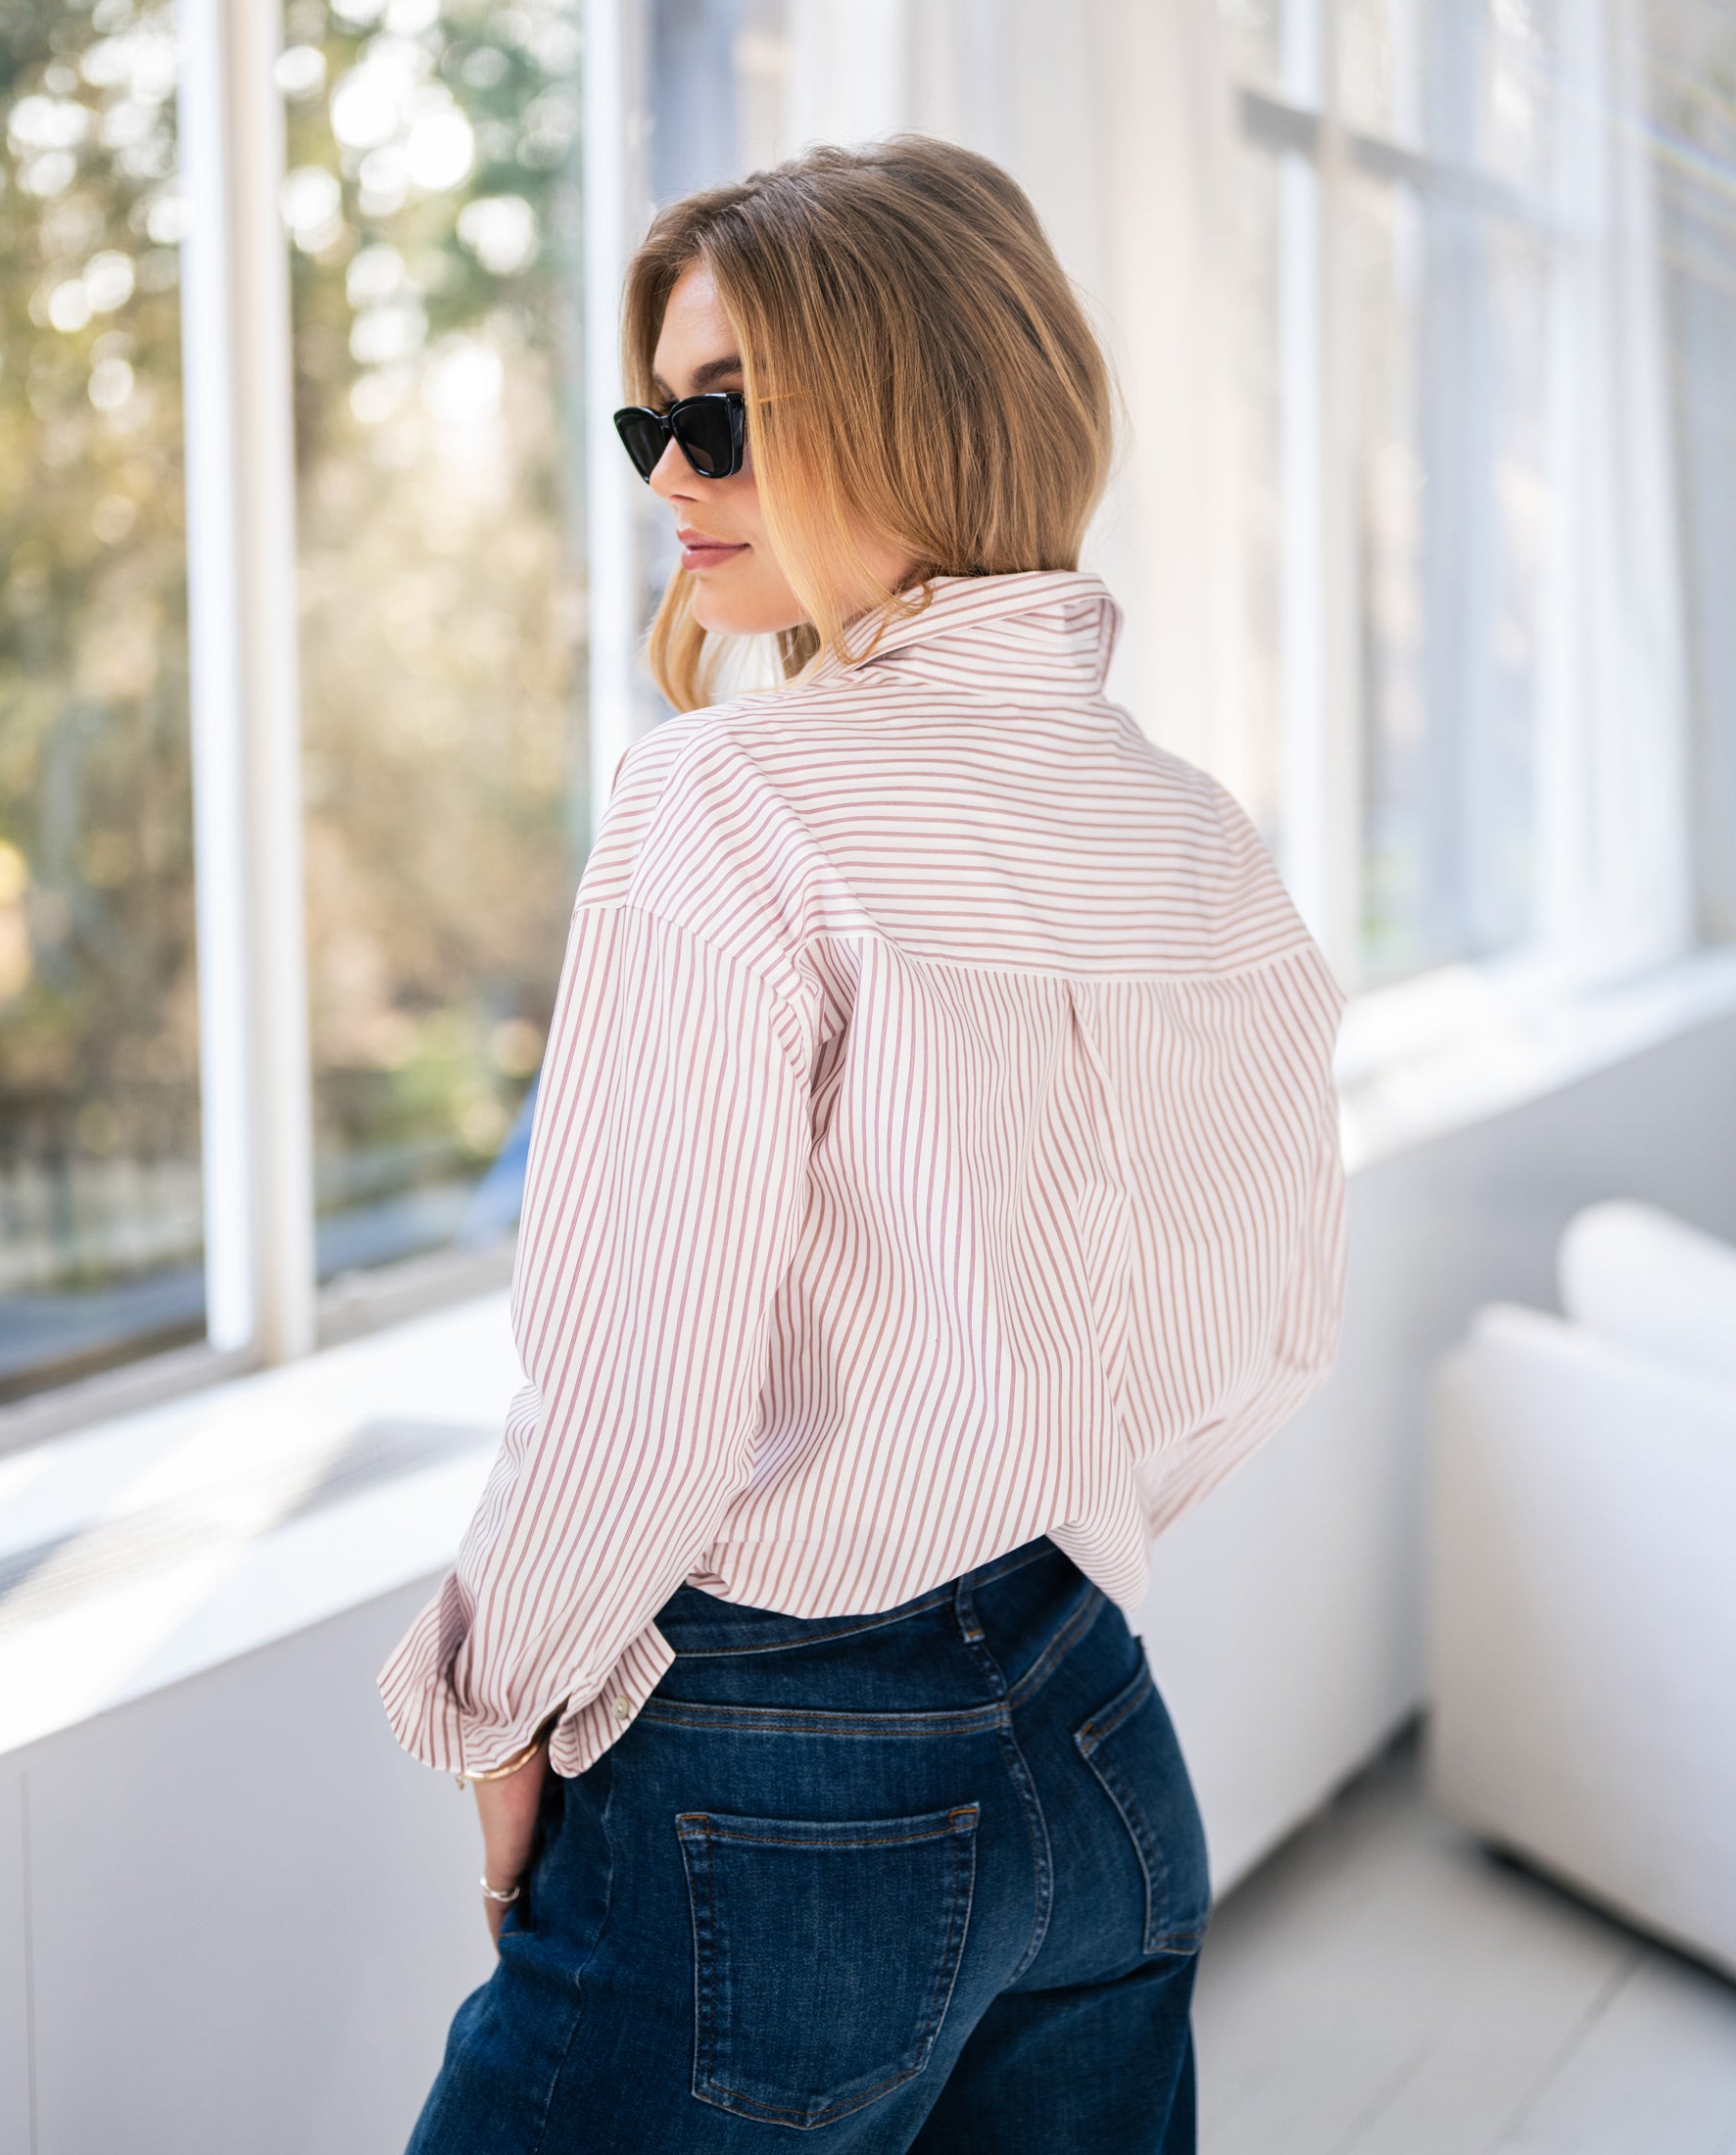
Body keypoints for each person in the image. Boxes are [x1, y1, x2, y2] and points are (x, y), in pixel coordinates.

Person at [380, 135, 1347, 2154]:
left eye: (720, 416)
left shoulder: (727, 797)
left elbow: (637, 1396)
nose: (669, 475)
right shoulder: (1196, 830)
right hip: (1100, 1745)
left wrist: (493, 1709)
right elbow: (1270, 1326)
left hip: (767, 1791)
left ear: (915, 398)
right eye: (652, 422)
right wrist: (1032, 1507)